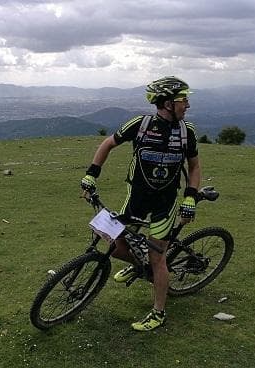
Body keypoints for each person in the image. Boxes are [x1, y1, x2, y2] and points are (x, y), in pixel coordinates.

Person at [80, 76, 202, 331]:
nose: (187, 105)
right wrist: (91, 174)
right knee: (112, 243)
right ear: (168, 103)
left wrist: (190, 196)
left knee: (158, 259)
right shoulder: (141, 124)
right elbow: (108, 144)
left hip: (164, 205)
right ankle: (140, 265)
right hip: (135, 199)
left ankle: (158, 313)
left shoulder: (186, 131)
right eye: (183, 100)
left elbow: (194, 166)